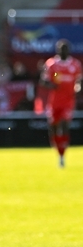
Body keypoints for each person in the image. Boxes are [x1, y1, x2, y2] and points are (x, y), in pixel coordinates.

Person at [38, 39, 82, 167]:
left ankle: (62, 155)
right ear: (57, 51)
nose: (63, 51)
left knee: (64, 125)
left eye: (65, 49)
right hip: (54, 102)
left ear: (68, 51)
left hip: (68, 101)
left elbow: (79, 80)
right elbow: (43, 81)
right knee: (53, 128)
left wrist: (77, 87)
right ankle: (59, 151)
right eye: (60, 49)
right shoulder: (52, 64)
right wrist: (52, 85)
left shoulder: (75, 64)